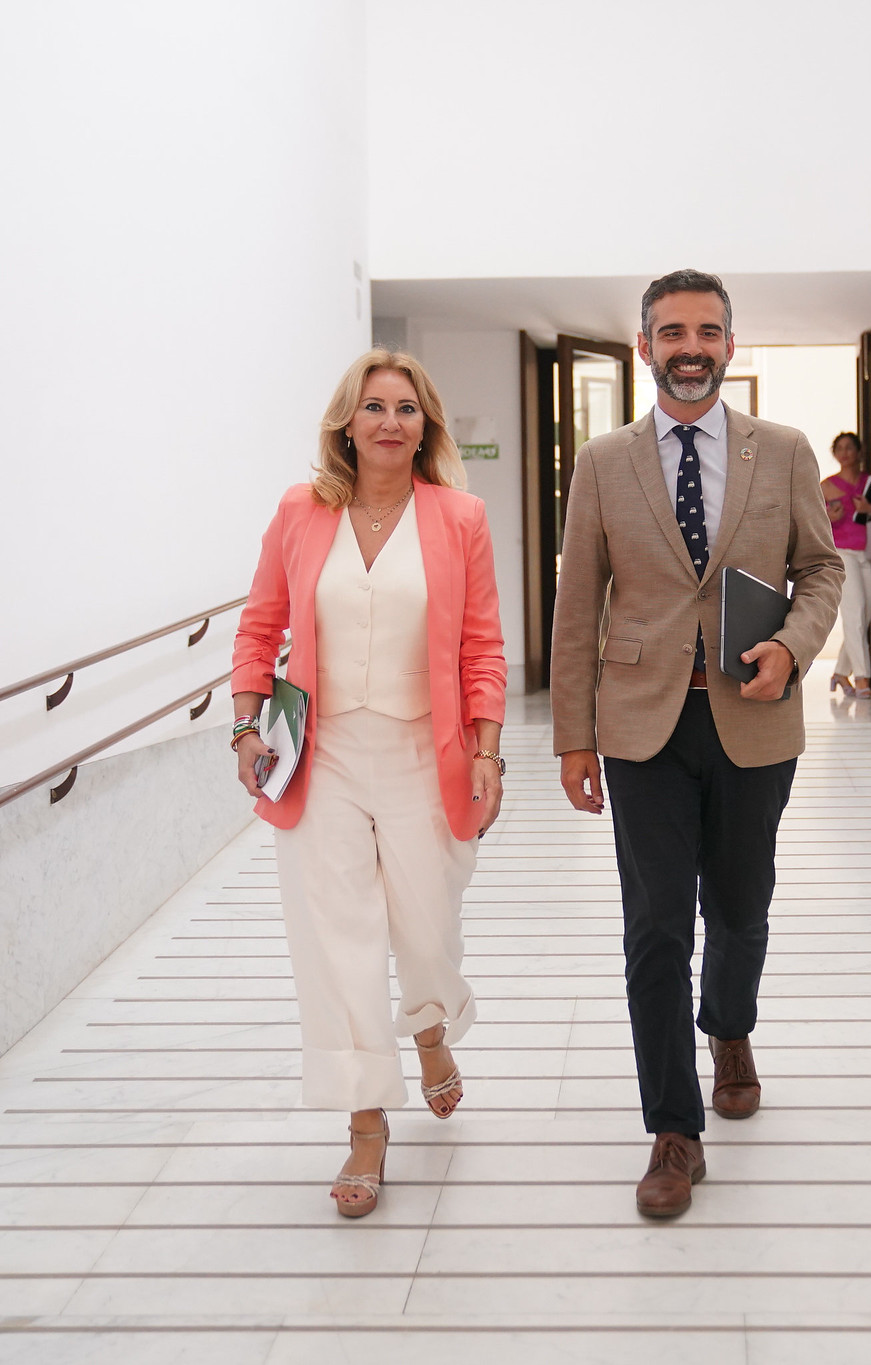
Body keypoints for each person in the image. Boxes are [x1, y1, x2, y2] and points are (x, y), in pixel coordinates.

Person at [551, 269, 842, 1218]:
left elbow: (821, 572)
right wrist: (572, 737)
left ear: (728, 343)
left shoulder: (786, 451)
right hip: (641, 725)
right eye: (671, 330)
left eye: (707, 330)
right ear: (644, 346)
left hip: (754, 715)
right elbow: (574, 606)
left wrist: (792, 651)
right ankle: (673, 1129)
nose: (690, 345)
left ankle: (729, 1027)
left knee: (741, 905)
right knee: (655, 924)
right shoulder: (603, 461)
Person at [230, 349, 507, 1218]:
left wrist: (490, 750)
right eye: (376, 406)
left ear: (427, 425)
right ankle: (364, 1122)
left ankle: (428, 1026)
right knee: (337, 938)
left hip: (430, 752)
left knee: (426, 930)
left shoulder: (459, 515)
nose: (392, 421)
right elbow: (260, 623)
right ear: (347, 422)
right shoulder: (301, 512)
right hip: (326, 753)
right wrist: (245, 722)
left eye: (408, 408)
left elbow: (482, 648)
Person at [821, 431, 871, 696]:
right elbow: (813, 520)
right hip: (842, 553)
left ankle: (839, 672)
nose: (845, 452)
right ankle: (862, 678)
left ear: (859, 452)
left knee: (864, 614)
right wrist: (831, 517)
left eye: (850, 448)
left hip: (869, 553)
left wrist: (870, 511)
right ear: (835, 454)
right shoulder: (826, 486)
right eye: (840, 448)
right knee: (853, 613)